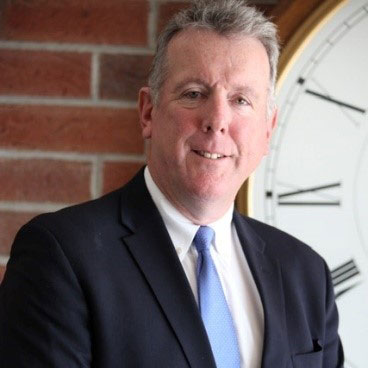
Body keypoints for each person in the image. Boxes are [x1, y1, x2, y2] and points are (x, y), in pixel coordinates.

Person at [0, 0, 344, 367]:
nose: (217, 120)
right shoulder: (61, 256)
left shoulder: (306, 275)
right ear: (148, 112)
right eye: (194, 93)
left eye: (241, 100)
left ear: (268, 129)